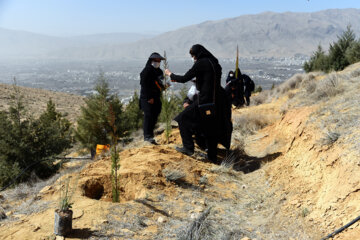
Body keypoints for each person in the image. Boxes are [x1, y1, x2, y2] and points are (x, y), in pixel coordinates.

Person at [165, 44, 232, 163]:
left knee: (183, 118)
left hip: (205, 100)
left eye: (193, 55)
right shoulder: (215, 63)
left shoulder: (201, 63)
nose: (193, 58)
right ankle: (212, 157)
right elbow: (209, 80)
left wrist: (170, 74)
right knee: (210, 129)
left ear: (198, 54)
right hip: (216, 101)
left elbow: (185, 78)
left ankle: (188, 148)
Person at [140, 52, 166, 144]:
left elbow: (161, 82)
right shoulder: (147, 71)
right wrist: (149, 97)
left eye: (159, 61)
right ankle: (147, 136)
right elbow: (144, 85)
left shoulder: (159, 71)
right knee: (148, 116)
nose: (157, 62)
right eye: (155, 60)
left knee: (155, 115)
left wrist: (164, 86)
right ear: (151, 60)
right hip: (147, 98)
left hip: (156, 97)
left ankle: (151, 135)